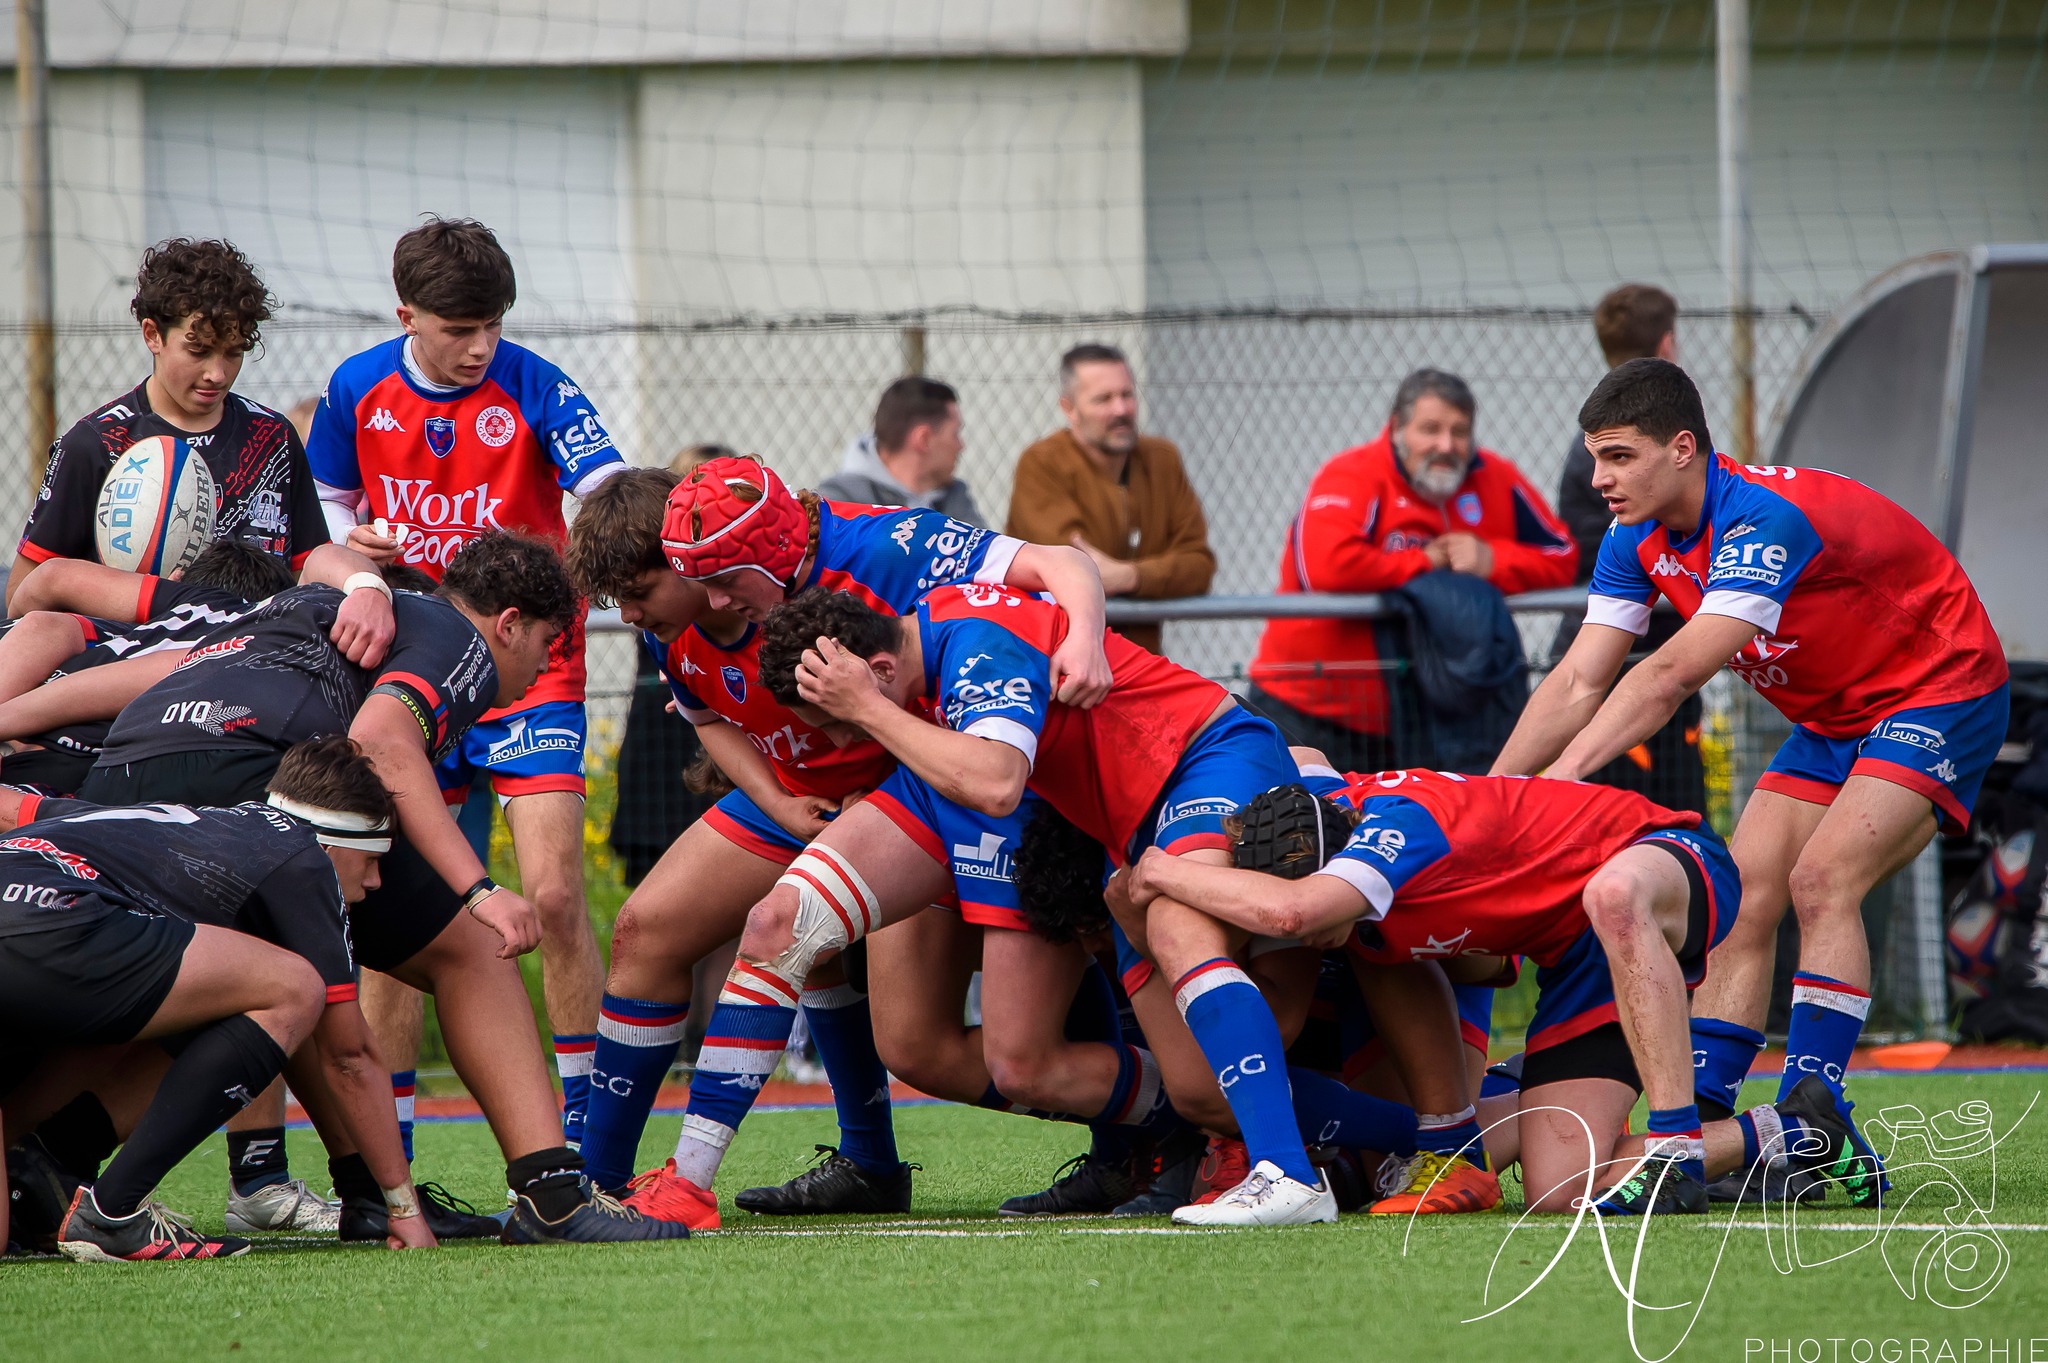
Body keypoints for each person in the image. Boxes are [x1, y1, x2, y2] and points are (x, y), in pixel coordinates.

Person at [640, 579, 1352, 1229]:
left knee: (1176, 920)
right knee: (1200, 1089)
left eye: (841, 720)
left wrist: (866, 712)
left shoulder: (973, 642)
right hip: (1121, 823)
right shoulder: (918, 651)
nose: (840, 742)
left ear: (876, 672)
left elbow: (998, 781)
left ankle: (1288, 1170)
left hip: (1194, 759)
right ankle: (1418, 1138)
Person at [44, 533, 683, 1244]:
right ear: (507, 623)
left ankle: (56, 1158)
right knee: (469, 948)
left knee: (279, 984)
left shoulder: (313, 604)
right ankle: (552, 1192)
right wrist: (479, 889)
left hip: (122, 784)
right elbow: (379, 739)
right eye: (544, 645)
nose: (539, 671)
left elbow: (169, 664)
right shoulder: (453, 637)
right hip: (247, 774)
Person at [1491, 359, 2010, 1204]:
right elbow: (1580, 680)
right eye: (1595, 456)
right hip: (1836, 714)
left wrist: (1564, 776)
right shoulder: (1634, 538)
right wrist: (1494, 789)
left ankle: (1813, 1114)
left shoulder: (1763, 517)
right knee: (1742, 894)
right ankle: (1701, 1119)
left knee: (1821, 880)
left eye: (1618, 456)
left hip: (1939, 687)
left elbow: (1667, 677)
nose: (1598, 479)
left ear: (1682, 448)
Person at [566, 456, 1113, 1225]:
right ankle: (598, 1185)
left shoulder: (881, 549)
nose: (627, 612)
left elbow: (1056, 565)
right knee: (645, 927)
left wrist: (1085, 636)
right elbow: (708, 717)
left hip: (918, 782)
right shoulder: (679, 615)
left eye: (639, 590)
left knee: (914, 1038)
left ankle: (1142, 1121)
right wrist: (781, 805)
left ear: (698, 559)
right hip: (799, 789)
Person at [305, 216, 625, 1151]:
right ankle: (390, 1150)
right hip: (417, 676)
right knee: (405, 921)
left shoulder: (536, 384)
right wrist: (357, 552)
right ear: (407, 312)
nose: (480, 345)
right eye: (458, 328)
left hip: (534, 670)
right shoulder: (355, 387)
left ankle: (586, 1138)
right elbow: (326, 518)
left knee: (558, 896)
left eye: (492, 323)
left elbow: (605, 492)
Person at [1128, 770, 1748, 1215]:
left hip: (1662, 856)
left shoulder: (1396, 832)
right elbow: (1301, 752)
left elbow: (1293, 913)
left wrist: (1158, 869)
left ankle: (1677, 1140)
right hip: (1570, 954)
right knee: (1560, 1192)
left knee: (1613, 897)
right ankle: (1788, 1131)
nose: (1310, 941)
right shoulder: (1314, 813)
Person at [0, 738, 428, 1261]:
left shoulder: (199, 823)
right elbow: (349, 1056)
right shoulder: (302, 856)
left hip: (29, 909)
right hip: (51, 923)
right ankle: (112, 1212)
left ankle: (36, 1167)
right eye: (373, 858)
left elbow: (20, 809)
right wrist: (402, 1208)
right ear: (335, 838)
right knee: (294, 988)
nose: (375, 881)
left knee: (215, 997)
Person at [1248, 369, 1577, 773]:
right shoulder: (1354, 474)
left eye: (1459, 431)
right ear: (1396, 429)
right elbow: (1326, 568)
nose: (1446, 445)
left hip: (1417, 727)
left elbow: (1562, 555)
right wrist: (1425, 560)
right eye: (1430, 429)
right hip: (1305, 712)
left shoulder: (1494, 477)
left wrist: (1492, 560)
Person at [8, 240, 329, 609]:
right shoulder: (95, 444)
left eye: (233, 352)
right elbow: (21, 597)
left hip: (256, 654)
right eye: (199, 351)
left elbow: (312, 572)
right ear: (152, 335)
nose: (217, 373)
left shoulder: (274, 438)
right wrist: (139, 597)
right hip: (135, 655)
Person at [1550, 285, 1706, 813]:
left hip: (1660, 658)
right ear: (1668, 344)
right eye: (1606, 460)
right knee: (1614, 831)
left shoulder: (1659, 455)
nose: (1605, 480)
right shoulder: (1612, 460)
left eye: (1619, 458)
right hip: (1621, 657)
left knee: (1678, 828)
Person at [1006, 344, 1214, 654]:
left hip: (1143, 662)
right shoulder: (1043, 463)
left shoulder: (1162, 459)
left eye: (1127, 395)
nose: (1121, 409)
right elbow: (1071, 570)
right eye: (1103, 399)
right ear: (1069, 408)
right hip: (1060, 661)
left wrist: (1129, 576)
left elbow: (1198, 567)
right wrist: (1153, 575)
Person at [818, 378, 985, 525]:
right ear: (924, 439)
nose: (961, 446)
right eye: (955, 434)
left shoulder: (954, 496)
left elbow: (986, 556)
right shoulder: (836, 505)